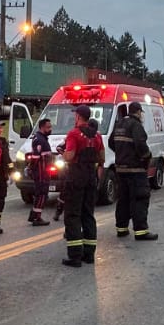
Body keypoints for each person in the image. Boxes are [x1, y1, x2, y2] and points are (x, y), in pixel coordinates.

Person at [62, 104, 104, 267]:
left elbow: (70, 155)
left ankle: (75, 256)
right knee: (88, 215)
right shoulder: (97, 136)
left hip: (76, 177)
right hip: (90, 178)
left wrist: (64, 153)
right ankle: (89, 254)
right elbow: (102, 158)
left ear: (78, 117)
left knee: (72, 216)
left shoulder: (74, 134)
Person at [109, 100, 158, 241]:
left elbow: (111, 143)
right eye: (141, 113)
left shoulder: (119, 124)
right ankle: (141, 231)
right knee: (140, 199)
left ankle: (122, 229)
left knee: (123, 200)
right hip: (136, 170)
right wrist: (146, 157)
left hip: (121, 170)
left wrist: (121, 153)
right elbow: (140, 144)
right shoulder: (136, 125)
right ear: (138, 112)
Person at [27, 117, 53, 226]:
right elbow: (35, 157)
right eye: (48, 127)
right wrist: (31, 169)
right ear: (42, 127)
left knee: (41, 194)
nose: (50, 129)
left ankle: (33, 215)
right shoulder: (39, 139)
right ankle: (37, 218)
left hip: (44, 172)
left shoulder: (43, 138)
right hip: (41, 173)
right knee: (42, 194)